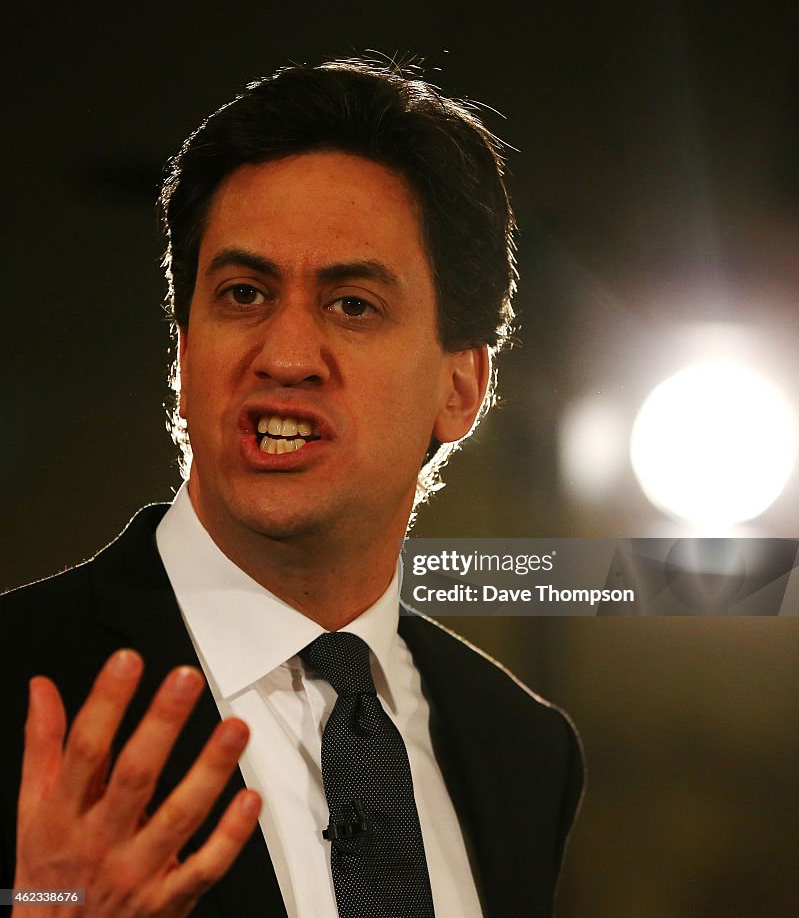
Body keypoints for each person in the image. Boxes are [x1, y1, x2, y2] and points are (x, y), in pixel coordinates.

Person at [0, 57, 583, 917]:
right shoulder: (19, 679)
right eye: (243, 293)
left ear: (460, 388)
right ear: (185, 348)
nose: (283, 355)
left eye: (352, 304)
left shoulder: (525, 750)